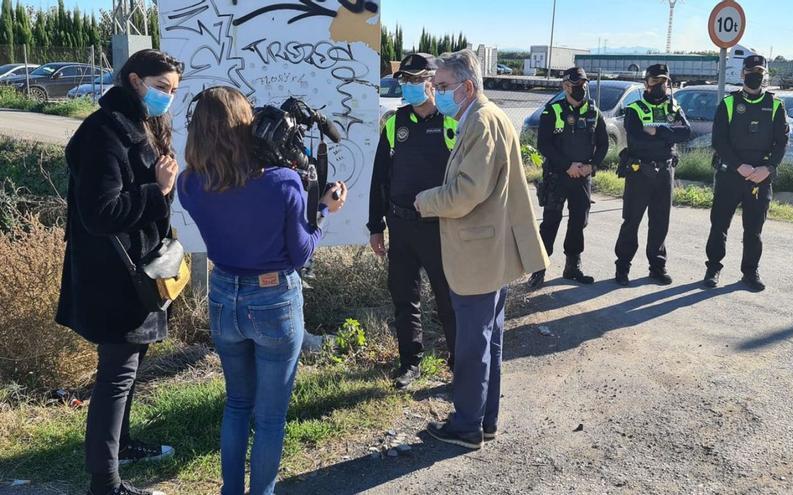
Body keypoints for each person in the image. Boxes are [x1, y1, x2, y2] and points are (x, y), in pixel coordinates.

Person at [177, 87, 347, 495]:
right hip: (273, 300)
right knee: (269, 417)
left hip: (222, 298)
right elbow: (301, 252)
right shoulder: (283, 182)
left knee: (237, 404)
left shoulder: (188, 183)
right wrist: (323, 210)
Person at [57, 49, 181, 495]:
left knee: (128, 366)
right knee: (117, 374)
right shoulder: (104, 133)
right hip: (113, 277)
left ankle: (121, 447)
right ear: (134, 80)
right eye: (162, 88)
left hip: (135, 272)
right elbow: (100, 212)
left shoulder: (135, 125)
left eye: (173, 91)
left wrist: (158, 190)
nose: (167, 98)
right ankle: (104, 482)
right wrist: (159, 189)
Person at [414, 49, 549, 450]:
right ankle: (483, 421)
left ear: (466, 87)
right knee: (487, 341)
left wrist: (426, 201)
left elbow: (465, 194)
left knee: (473, 346)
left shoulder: (482, 122)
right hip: (489, 253)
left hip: (478, 256)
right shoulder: (482, 117)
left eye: (441, 87)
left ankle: (467, 426)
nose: (435, 94)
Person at [367, 53, 458, 389]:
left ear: (433, 82)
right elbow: (380, 177)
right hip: (401, 226)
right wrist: (376, 225)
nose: (408, 86)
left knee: (448, 300)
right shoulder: (395, 122)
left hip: (439, 227)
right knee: (405, 299)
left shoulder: (451, 121)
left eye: (415, 80)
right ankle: (410, 363)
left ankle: (458, 362)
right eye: (405, 80)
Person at [703, 54, 789, 291]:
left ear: (765, 75)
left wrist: (769, 168)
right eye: (751, 72)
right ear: (742, 74)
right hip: (731, 174)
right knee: (719, 224)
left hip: (760, 177)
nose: (755, 76)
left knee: (754, 230)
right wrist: (738, 166)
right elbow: (719, 141)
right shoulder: (729, 104)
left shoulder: (775, 105)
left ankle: (750, 272)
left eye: (760, 72)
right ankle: (713, 268)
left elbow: (782, 143)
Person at [528, 66, 609, 290]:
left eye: (584, 85)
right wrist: (568, 166)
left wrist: (591, 166)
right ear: (565, 86)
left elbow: (603, 144)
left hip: (582, 178)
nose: (581, 89)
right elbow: (544, 144)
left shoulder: (594, 111)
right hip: (558, 176)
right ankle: (539, 269)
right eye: (576, 85)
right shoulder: (551, 111)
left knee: (578, 222)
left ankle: (572, 266)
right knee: (551, 222)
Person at [613, 64, 691, 286]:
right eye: (654, 81)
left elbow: (685, 132)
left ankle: (657, 267)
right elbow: (636, 138)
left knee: (660, 222)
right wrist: (668, 134)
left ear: (669, 83)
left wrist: (657, 130)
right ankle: (623, 266)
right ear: (646, 83)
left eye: (662, 81)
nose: (658, 85)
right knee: (631, 221)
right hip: (640, 171)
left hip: (665, 171)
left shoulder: (674, 107)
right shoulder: (635, 108)